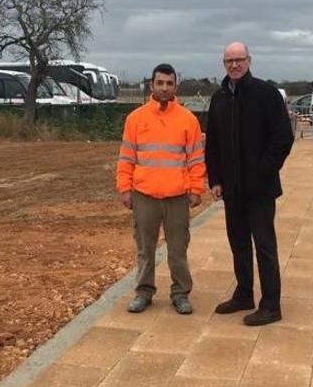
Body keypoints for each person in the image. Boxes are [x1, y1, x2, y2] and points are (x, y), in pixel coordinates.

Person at [205, 42, 294, 326]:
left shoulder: (265, 94)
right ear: (224, 64)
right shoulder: (219, 98)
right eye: (229, 61)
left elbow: (282, 139)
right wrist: (215, 179)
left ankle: (271, 305)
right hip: (232, 189)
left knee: (265, 247)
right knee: (238, 243)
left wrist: (262, 172)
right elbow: (214, 144)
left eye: (239, 59)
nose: (234, 65)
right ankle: (244, 294)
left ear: (249, 60)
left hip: (260, 189)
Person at [116, 63, 206, 315]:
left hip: (177, 197)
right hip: (144, 196)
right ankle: (144, 292)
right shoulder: (136, 119)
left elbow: (196, 159)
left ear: (175, 86)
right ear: (151, 85)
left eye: (169, 83)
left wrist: (196, 189)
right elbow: (126, 158)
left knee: (178, 250)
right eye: (160, 83)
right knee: (145, 248)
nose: (164, 88)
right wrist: (125, 188)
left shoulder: (188, 120)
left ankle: (180, 293)